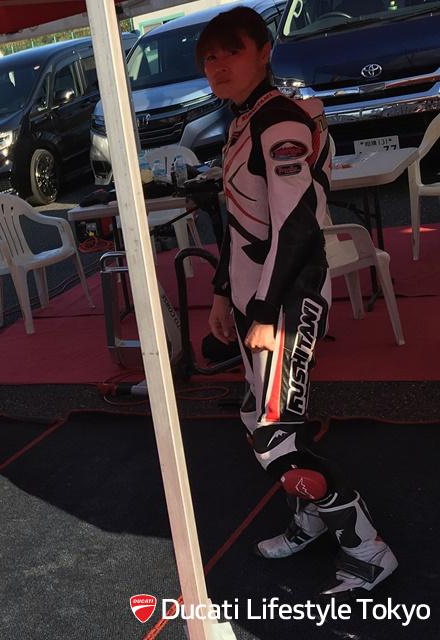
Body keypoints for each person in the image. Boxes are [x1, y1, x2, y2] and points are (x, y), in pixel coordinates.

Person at [198, 8, 397, 595]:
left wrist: (265, 313)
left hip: (286, 300)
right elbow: (242, 224)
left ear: (264, 51)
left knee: (274, 434)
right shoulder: (244, 120)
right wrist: (221, 294)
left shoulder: (279, 119)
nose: (217, 66)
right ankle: (312, 517)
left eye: (230, 51)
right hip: (252, 297)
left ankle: (366, 546)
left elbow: (299, 227)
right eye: (208, 57)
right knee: (259, 418)